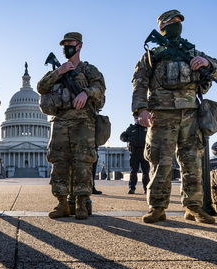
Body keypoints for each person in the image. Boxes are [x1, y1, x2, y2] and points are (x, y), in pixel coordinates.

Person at [131, 10, 217, 224]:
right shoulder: (151, 56)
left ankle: (194, 208)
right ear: (162, 26)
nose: (177, 25)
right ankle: (157, 208)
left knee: (192, 162)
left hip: (190, 114)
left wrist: (207, 63)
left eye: (179, 22)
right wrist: (140, 110)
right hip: (161, 115)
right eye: (172, 22)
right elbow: (139, 84)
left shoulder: (192, 51)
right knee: (160, 162)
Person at [37, 32, 106, 220]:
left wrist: (86, 93)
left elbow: (100, 89)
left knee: (82, 163)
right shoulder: (57, 70)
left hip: (84, 123)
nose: (66, 47)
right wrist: (59, 71)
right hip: (60, 123)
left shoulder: (89, 69)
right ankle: (61, 203)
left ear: (79, 46)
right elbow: (41, 87)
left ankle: (81, 204)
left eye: (70, 43)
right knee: (59, 163)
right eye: (64, 44)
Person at [120, 118, 150, 194]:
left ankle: (146, 188)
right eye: (136, 119)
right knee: (133, 171)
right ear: (135, 120)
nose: (138, 120)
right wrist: (128, 139)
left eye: (139, 118)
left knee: (146, 172)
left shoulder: (147, 128)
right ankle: (132, 188)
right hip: (134, 152)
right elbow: (122, 136)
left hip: (144, 152)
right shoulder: (131, 128)